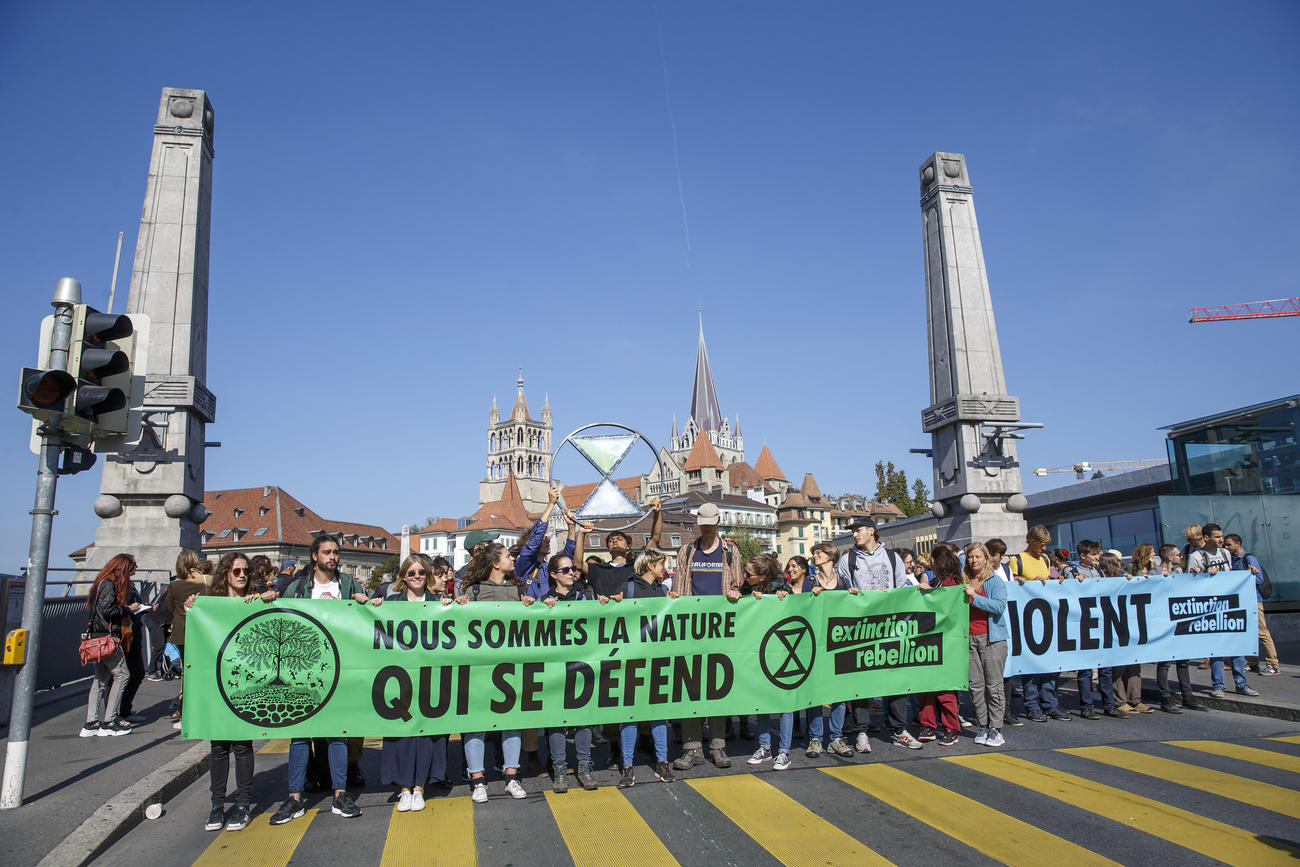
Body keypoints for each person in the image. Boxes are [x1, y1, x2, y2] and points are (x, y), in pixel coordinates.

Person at [272, 537, 368, 824]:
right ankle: (294, 798)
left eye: (336, 552)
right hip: (304, 670)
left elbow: (368, 620)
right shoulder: (298, 588)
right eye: (327, 552)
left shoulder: (349, 585)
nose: (333, 557)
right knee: (300, 735)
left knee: (338, 732)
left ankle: (341, 794)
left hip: (340, 668)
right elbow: (281, 618)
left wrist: (366, 602)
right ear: (314, 556)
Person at [455, 542, 536, 803]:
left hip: (510, 666)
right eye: (508, 556)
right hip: (480, 667)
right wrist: (459, 605)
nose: (513, 558)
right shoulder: (473, 590)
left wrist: (530, 605)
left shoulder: (518, 588)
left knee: (511, 722)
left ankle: (511, 776)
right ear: (495, 563)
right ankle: (478, 780)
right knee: (476, 724)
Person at [373, 555, 452, 812]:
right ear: (403, 577)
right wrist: (371, 604)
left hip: (429, 678)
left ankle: (420, 788)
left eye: (420, 572)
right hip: (399, 678)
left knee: (427, 734)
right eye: (411, 573)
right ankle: (404, 788)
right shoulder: (391, 603)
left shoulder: (437, 603)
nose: (416, 576)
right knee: (401, 734)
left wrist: (457, 604)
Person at [204, 552, 277, 831]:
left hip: (247, 681)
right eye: (236, 571)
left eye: (246, 571)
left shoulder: (255, 598)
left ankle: (243, 804)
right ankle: (216, 806)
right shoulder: (212, 604)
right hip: (218, 681)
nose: (242, 575)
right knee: (219, 746)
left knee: (243, 745)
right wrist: (191, 606)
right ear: (225, 574)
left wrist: (267, 597)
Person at [836, 515, 920, 751]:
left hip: (891, 626)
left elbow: (903, 589)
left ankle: (899, 729)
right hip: (862, 628)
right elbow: (840, 590)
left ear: (872, 531)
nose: (854, 534)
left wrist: (920, 590)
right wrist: (848, 592)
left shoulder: (892, 558)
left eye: (858, 530)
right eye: (853, 531)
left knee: (894, 677)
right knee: (861, 679)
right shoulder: (847, 559)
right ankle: (862, 730)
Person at [672, 502, 743, 770]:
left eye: (709, 523)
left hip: (720, 631)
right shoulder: (687, 551)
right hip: (692, 630)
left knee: (717, 690)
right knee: (690, 691)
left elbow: (736, 586)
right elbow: (680, 589)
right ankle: (692, 749)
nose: (705, 526)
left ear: (718, 522)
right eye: (702, 522)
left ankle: (717, 746)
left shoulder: (730, 551)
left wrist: (735, 593)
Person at [541, 529, 601, 793]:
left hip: (582, 665)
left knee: (583, 717)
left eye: (572, 570)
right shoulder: (544, 602)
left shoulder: (586, 596)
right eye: (565, 570)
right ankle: (560, 769)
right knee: (556, 719)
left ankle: (585, 766)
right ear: (553, 575)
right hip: (554, 669)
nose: (571, 574)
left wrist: (607, 603)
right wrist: (537, 607)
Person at [613, 549, 679, 787]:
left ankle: (663, 761)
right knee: (629, 714)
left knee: (658, 713)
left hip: (655, 659)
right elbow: (610, 617)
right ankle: (627, 765)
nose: (664, 568)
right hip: (631, 660)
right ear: (650, 565)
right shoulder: (628, 587)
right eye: (662, 563)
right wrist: (611, 603)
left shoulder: (662, 591)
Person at [1189, 524, 1259, 698]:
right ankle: (1218, 685)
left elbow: (1233, 577)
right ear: (1206, 538)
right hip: (1210, 609)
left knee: (1237, 646)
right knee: (1217, 649)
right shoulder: (1196, 556)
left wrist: (1249, 572)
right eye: (1218, 537)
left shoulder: (1225, 554)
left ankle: (1241, 684)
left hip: (1230, 605)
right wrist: (1204, 573)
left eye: (1222, 536)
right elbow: (1188, 583)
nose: (1222, 540)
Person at [1010, 526, 1072, 723]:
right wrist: (1023, 581)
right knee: (1031, 666)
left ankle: (1050, 703)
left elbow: (1046, 581)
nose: (1044, 548)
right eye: (1041, 544)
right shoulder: (1017, 560)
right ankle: (1032, 705)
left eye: (1046, 544)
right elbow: (1011, 585)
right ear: (1031, 541)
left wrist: (1056, 580)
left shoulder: (1045, 559)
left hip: (1046, 617)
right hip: (1028, 618)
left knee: (1049, 665)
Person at [742, 554, 796, 770]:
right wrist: (737, 596)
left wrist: (783, 599)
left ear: (763, 577)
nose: (744, 577)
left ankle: (784, 751)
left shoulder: (784, 590)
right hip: (758, 652)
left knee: (784, 703)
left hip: (781, 653)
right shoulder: (746, 588)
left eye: (749, 574)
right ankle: (764, 746)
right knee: (762, 701)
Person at [79, 554, 141, 738]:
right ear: (123, 568)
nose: (131, 575)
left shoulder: (102, 582)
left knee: (100, 679)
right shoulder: (109, 584)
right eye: (130, 571)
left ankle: (91, 723)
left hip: (97, 637)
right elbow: (107, 611)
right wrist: (129, 609)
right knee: (123, 675)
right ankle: (109, 721)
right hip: (108, 638)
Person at [803, 541, 854, 757]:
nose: (815, 557)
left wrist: (853, 595)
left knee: (838, 692)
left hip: (838, 641)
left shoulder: (843, 581)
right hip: (816, 641)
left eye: (819, 553)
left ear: (830, 557)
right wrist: (809, 597)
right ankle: (815, 738)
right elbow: (802, 608)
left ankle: (836, 737)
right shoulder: (810, 580)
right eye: (814, 554)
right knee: (815, 691)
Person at [915, 547, 962, 746]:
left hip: (946, 643)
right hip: (930, 642)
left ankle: (951, 727)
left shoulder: (951, 584)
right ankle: (928, 725)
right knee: (925, 686)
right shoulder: (938, 582)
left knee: (944, 688)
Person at [962, 543, 1007, 747]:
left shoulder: (994, 581)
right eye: (971, 557)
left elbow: (998, 606)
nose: (974, 561)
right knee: (975, 685)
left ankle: (996, 728)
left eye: (978, 557)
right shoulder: (962, 580)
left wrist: (974, 597)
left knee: (994, 685)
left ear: (986, 558)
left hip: (992, 639)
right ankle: (982, 725)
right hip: (968, 638)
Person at [1100, 551, 1151, 714]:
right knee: (1118, 665)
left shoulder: (1125, 579)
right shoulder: (1100, 582)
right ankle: (1120, 700)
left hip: (1130, 625)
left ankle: (1135, 698)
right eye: (1117, 562)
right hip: (1112, 627)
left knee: (1134, 663)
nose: (1120, 565)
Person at [166, 549, 210, 729]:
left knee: (187, 672)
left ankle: (187, 714)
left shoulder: (175, 585)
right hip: (202, 631)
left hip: (182, 631)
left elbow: (169, 607)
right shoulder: (206, 582)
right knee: (204, 670)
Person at [1224, 533, 1279, 676]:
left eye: (1229, 544)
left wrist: (1246, 576)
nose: (1227, 547)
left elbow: (1259, 579)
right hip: (1242, 601)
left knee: (1262, 632)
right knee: (1248, 633)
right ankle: (1253, 663)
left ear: (1238, 544)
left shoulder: (1249, 558)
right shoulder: (1233, 560)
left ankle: (1273, 664)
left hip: (1254, 600)